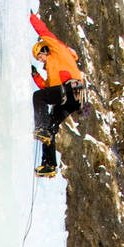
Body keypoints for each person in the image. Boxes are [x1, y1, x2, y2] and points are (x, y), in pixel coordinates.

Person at [30, 12, 83, 177]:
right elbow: (48, 88)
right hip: (74, 98)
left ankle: (41, 127)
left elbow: (44, 32)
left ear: (45, 49)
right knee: (51, 127)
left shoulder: (58, 51)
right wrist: (35, 75)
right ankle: (49, 165)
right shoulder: (53, 69)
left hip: (70, 89)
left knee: (37, 97)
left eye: (40, 55)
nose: (40, 60)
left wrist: (31, 17)